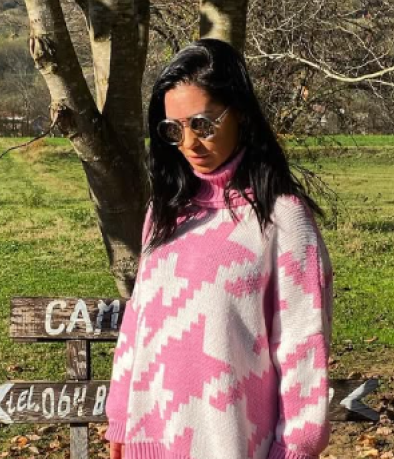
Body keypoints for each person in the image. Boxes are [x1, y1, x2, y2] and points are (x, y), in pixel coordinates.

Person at [105, 38, 334, 459]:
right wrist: (119, 417)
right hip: (149, 441)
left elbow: (302, 344)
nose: (189, 143)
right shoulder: (166, 211)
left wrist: (296, 448)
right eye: (173, 130)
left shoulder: (282, 218)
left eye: (203, 124)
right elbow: (138, 321)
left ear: (240, 113)